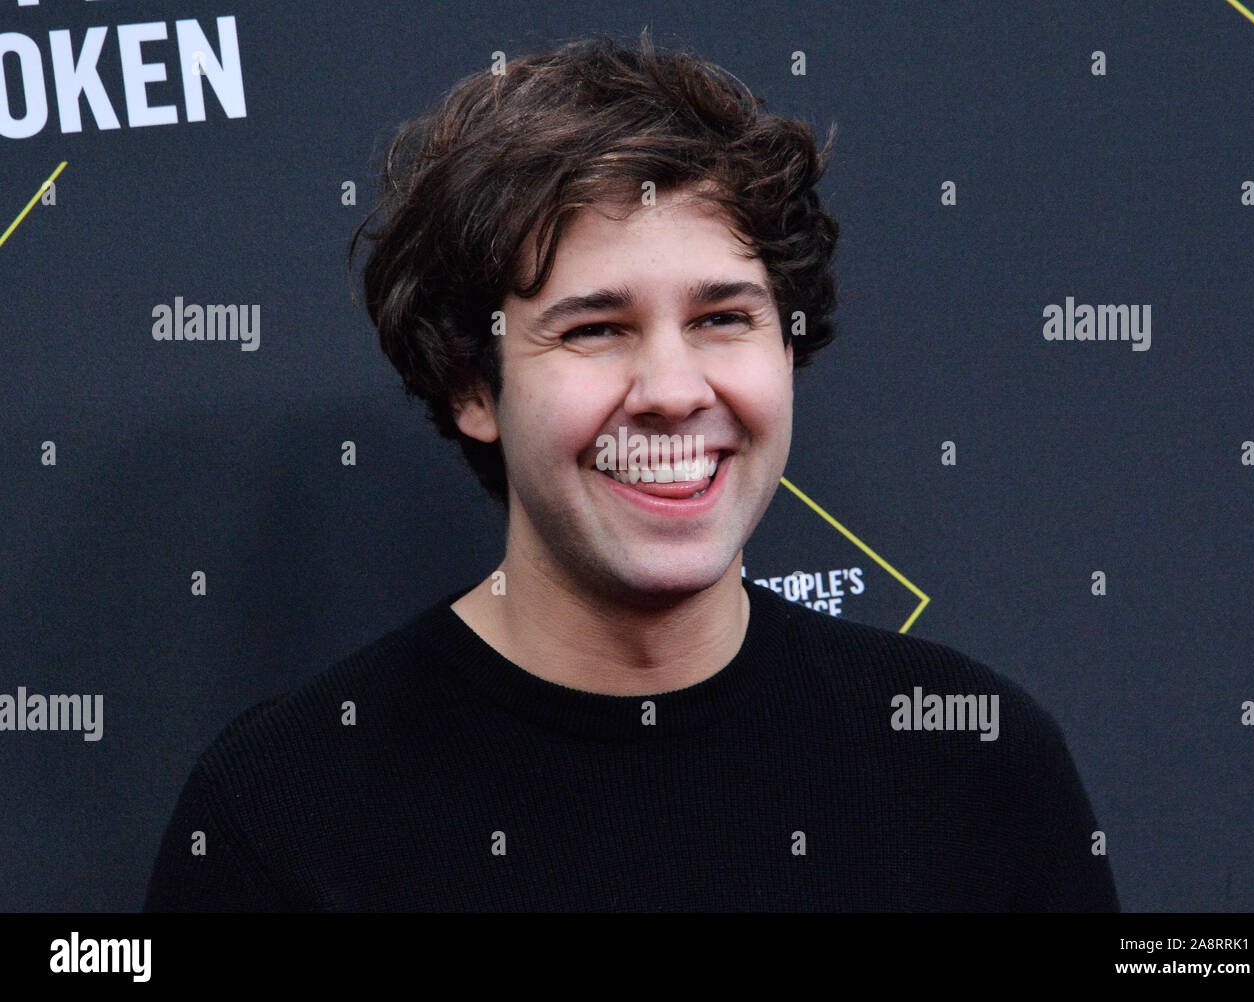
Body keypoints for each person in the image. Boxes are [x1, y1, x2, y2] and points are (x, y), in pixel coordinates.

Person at [143, 31, 1118, 912]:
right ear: (467, 387)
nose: (669, 388)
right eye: (595, 329)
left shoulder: (969, 762)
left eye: (722, 318)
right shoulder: (282, 810)